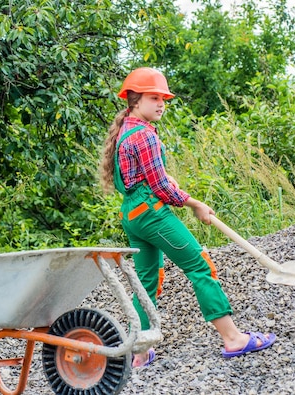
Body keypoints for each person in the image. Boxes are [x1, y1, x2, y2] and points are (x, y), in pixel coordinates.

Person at [99, 67, 276, 366]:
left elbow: (142, 175)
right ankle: (233, 338)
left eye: (163, 98)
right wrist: (195, 204)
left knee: (146, 279)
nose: (161, 104)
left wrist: (165, 178)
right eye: (154, 97)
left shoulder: (127, 130)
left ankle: (139, 352)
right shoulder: (144, 135)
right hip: (153, 215)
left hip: (132, 214)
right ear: (134, 100)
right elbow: (160, 188)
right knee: (200, 266)